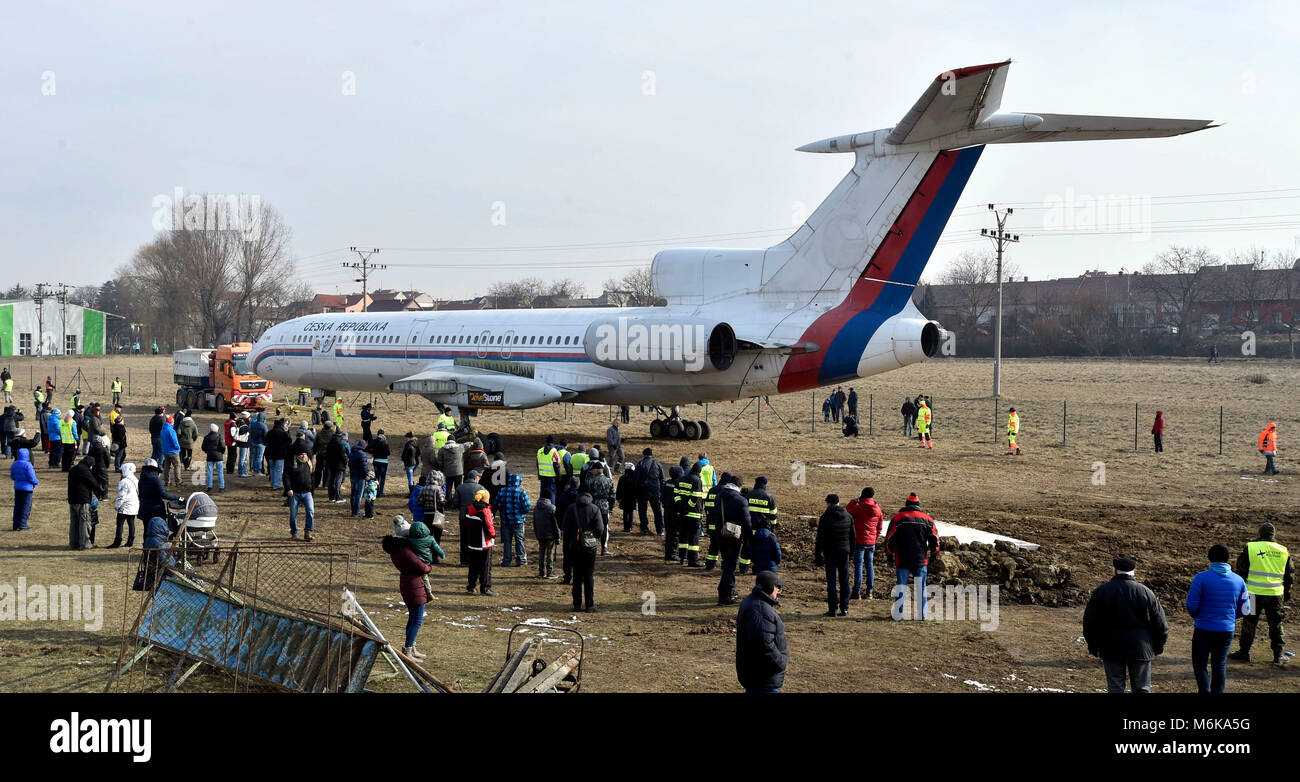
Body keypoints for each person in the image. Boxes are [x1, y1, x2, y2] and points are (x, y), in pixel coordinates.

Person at [1082, 556, 1170, 693]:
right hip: (1141, 647)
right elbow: (1160, 623)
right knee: (1142, 688)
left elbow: (1090, 622)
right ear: (1133, 572)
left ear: (1115, 571)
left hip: (1111, 646)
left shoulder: (1102, 591)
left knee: (1115, 687)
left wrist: (1093, 645)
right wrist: (1158, 644)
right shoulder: (1146, 592)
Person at [1186, 544, 1251, 693]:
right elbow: (1246, 609)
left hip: (1203, 628)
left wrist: (1199, 616)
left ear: (1210, 558)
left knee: (1200, 664)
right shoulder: (1239, 580)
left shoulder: (1201, 578)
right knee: (1219, 664)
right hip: (1226, 630)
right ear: (1228, 560)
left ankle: (1204, 691)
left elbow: (1191, 605)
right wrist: (1230, 618)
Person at [1230, 522, 1293, 665]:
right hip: (1275, 594)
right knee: (1276, 624)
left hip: (1253, 593)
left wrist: (1241, 591)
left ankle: (1244, 652)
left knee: (1249, 622)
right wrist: (1286, 593)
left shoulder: (1251, 548)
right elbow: (1289, 575)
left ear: (1259, 534)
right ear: (1273, 535)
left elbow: (1241, 571)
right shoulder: (1283, 550)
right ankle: (1278, 654)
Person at [884, 492, 940, 619]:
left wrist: (889, 553)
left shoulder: (898, 519)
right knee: (921, 588)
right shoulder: (927, 520)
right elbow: (935, 539)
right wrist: (934, 552)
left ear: (906, 504)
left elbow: (889, 539)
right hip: (920, 559)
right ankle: (922, 615)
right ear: (918, 505)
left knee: (901, 587)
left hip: (902, 559)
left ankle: (898, 614)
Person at [383, 525, 433, 660]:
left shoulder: (395, 550)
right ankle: (408, 650)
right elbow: (422, 567)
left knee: (412, 618)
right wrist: (429, 567)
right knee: (417, 620)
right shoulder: (405, 551)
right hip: (414, 585)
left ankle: (411, 647)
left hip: (407, 583)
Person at [736, 570, 787, 693]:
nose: (779, 591)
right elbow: (764, 645)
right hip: (763, 677)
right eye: (777, 587)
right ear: (770, 588)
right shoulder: (761, 611)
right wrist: (780, 662)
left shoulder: (754, 602)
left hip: (756, 675)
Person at [561, 490, 606, 612]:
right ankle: (589, 605)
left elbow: (565, 527)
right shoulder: (595, 509)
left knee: (576, 575)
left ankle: (577, 604)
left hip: (575, 547)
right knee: (588, 576)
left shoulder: (571, 509)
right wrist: (593, 538)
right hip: (590, 547)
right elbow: (600, 528)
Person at [815, 494, 854, 617]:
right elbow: (853, 537)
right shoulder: (848, 516)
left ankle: (833, 609)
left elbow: (819, 538)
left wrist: (818, 555)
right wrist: (851, 553)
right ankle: (845, 608)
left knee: (831, 582)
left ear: (829, 503)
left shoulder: (825, 517)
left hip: (830, 552)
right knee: (844, 581)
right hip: (844, 552)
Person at [716, 473, 751, 606]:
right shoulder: (741, 500)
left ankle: (730, 591)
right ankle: (723, 594)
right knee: (730, 566)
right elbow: (747, 522)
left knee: (727, 563)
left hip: (720, 533)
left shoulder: (719, 496)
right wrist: (749, 537)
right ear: (740, 486)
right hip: (734, 536)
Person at [847, 487, 883, 599]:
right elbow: (879, 527)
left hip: (859, 541)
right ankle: (869, 592)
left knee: (858, 566)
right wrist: (874, 538)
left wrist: (854, 501)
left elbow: (848, 511)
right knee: (870, 566)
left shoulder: (859, 507)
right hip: (871, 542)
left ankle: (857, 592)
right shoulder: (877, 509)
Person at [68, 455, 106, 550]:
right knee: (84, 522)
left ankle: (73, 544)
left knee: (74, 523)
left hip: (72, 500)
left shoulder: (73, 469)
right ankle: (85, 544)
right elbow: (94, 483)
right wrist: (101, 491)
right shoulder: (85, 471)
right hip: (83, 500)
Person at [464, 489, 498, 596]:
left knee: (473, 565)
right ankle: (485, 587)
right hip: (484, 543)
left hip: (472, 541)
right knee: (485, 566)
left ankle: (471, 586)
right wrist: (493, 535)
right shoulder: (485, 510)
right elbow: (489, 526)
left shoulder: (469, 508)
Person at [495, 472, 532, 567]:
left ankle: (506, 560)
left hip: (506, 521)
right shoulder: (521, 492)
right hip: (518, 521)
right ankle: (521, 560)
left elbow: (497, 504)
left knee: (507, 541)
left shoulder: (502, 491)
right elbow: (527, 507)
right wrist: (521, 513)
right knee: (519, 540)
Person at [137, 458, 179, 531]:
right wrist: (178, 498)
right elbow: (164, 495)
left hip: (144, 507)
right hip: (156, 510)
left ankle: (146, 542)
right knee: (158, 530)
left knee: (146, 530)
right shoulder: (156, 480)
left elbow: (140, 494)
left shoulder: (141, 479)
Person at [456, 470, 485, 566]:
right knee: (475, 538)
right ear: (475, 478)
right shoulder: (480, 488)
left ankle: (464, 560)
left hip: (463, 516)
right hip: (476, 516)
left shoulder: (460, 487)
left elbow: (455, 502)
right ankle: (474, 560)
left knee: (464, 538)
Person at [109, 462, 139, 548]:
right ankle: (130, 541)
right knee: (131, 523)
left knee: (120, 524)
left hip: (125, 506)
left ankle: (117, 541)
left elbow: (121, 496)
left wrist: (117, 505)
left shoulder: (124, 481)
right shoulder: (136, 479)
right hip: (134, 505)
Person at [635, 447, 665, 535]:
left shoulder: (640, 463)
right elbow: (662, 479)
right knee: (657, 511)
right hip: (655, 490)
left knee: (642, 510)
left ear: (643, 455)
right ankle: (660, 530)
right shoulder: (658, 464)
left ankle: (644, 528)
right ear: (652, 455)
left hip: (643, 490)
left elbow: (636, 479)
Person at [287, 452, 315, 540]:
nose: (303, 456)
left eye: (305, 454)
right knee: (293, 514)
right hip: (294, 493)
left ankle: (308, 532)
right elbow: (286, 476)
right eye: (301, 454)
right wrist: (288, 488)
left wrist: (312, 490)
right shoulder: (292, 463)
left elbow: (313, 478)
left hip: (307, 492)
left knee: (310, 511)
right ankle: (294, 533)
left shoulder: (309, 464)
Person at [9, 447, 38, 531]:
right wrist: (36, 482)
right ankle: (22, 524)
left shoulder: (15, 464)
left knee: (17, 506)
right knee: (25, 506)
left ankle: (16, 524)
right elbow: (31, 477)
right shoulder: (28, 465)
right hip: (27, 489)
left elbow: (12, 476)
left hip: (17, 487)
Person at [533, 492, 560, 579]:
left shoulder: (536, 508)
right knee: (549, 553)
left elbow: (534, 522)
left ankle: (541, 572)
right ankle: (549, 572)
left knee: (541, 553)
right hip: (550, 534)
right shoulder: (552, 508)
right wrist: (558, 536)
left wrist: (536, 533)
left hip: (540, 534)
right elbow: (555, 524)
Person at [264, 418, 290, 490]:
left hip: (270, 454)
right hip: (280, 454)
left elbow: (265, 441)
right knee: (278, 470)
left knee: (272, 469)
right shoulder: (283, 433)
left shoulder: (270, 432)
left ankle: (272, 483)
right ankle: (276, 485)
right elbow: (289, 441)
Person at [536, 435, 562, 503]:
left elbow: (537, 463)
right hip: (551, 477)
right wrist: (559, 476)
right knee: (552, 494)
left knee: (542, 493)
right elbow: (557, 465)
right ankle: (552, 509)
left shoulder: (540, 450)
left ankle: (540, 507)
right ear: (553, 442)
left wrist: (539, 474)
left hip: (542, 476)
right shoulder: (554, 451)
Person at [201, 423, 226, 491]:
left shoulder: (206, 437)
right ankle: (221, 487)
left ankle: (209, 487)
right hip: (218, 456)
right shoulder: (219, 437)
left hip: (209, 456)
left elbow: (203, 447)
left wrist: (207, 451)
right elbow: (223, 446)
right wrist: (221, 452)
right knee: (220, 472)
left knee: (209, 472)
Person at [367, 429, 390, 497]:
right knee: (382, 477)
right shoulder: (385, 442)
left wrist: (373, 452)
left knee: (377, 477)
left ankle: (376, 491)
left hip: (376, 461)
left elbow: (367, 448)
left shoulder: (374, 441)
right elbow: (388, 453)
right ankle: (381, 492)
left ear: (377, 434)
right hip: (384, 461)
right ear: (383, 434)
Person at [348, 440, 369, 516]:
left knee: (353, 494)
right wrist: (367, 474)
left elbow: (349, 464)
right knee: (358, 495)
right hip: (360, 477)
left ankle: (353, 511)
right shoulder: (362, 454)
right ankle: (356, 511)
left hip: (352, 475)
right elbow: (364, 466)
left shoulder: (352, 453)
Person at [160, 416, 182, 487]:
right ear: (171, 422)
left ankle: (166, 481)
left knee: (167, 467)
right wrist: (178, 448)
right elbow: (175, 441)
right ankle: (178, 482)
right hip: (173, 451)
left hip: (166, 451)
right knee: (177, 466)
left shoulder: (163, 429)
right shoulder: (171, 430)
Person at [235, 412, 251, 477]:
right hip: (244, 444)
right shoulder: (243, 425)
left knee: (244, 459)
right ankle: (241, 472)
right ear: (246, 418)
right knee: (243, 459)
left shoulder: (240, 424)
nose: (250, 419)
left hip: (244, 444)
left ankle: (244, 472)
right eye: (249, 417)